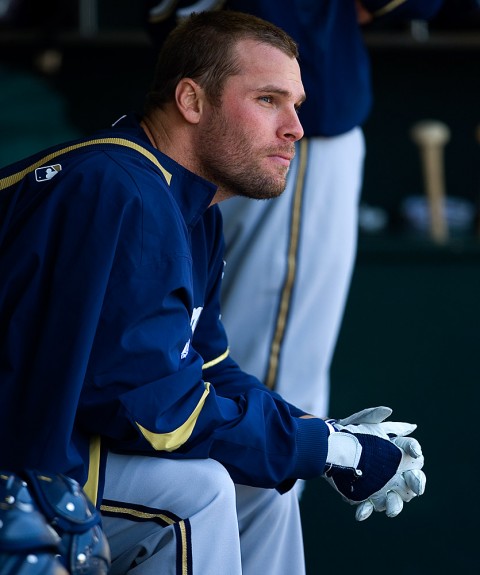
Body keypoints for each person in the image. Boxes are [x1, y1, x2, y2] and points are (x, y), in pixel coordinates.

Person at [0, 11, 426, 575]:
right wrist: (326, 451)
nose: (296, 126)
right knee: (195, 493)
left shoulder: (189, 208)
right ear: (192, 101)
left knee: (262, 491)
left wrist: (317, 434)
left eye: (296, 104)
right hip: (19, 465)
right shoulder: (122, 186)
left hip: (48, 447)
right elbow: (160, 415)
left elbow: (211, 371)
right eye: (269, 100)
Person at [173, 0, 441, 419]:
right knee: (270, 370)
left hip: (196, 114)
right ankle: (259, 474)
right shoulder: (291, 122)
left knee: (202, 339)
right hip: (288, 133)